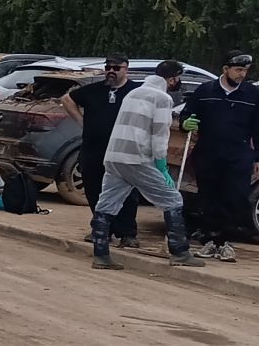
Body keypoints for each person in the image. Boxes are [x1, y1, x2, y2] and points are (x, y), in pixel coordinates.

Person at [91, 61, 202, 270]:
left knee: (106, 204)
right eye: (178, 78)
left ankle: (101, 254)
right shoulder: (162, 98)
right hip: (137, 158)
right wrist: (161, 166)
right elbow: (160, 135)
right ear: (171, 78)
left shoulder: (135, 93)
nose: (178, 83)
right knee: (173, 199)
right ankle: (179, 251)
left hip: (115, 156)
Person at [182, 53, 258, 261]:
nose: (242, 74)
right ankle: (210, 240)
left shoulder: (252, 94)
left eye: (245, 70)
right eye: (238, 70)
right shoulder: (206, 91)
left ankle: (225, 242)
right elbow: (187, 114)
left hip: (239, 154)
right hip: (208, 152)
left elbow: (257, 128)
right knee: (209, 198)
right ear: (225, 69)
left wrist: (257, 157)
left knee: (234, 198)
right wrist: (186, 123)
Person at [62, 56, 141, 250]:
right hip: (93, 149)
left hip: (123, 150)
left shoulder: (136, 92)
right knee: (94, 187)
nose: (111, 71)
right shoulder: (94, 90)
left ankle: (127, 233)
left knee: (125, 192)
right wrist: (83, 123)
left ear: (126, 69)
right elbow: (67, 99)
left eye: (116, 67)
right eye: (108, 67)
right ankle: (101, 228)